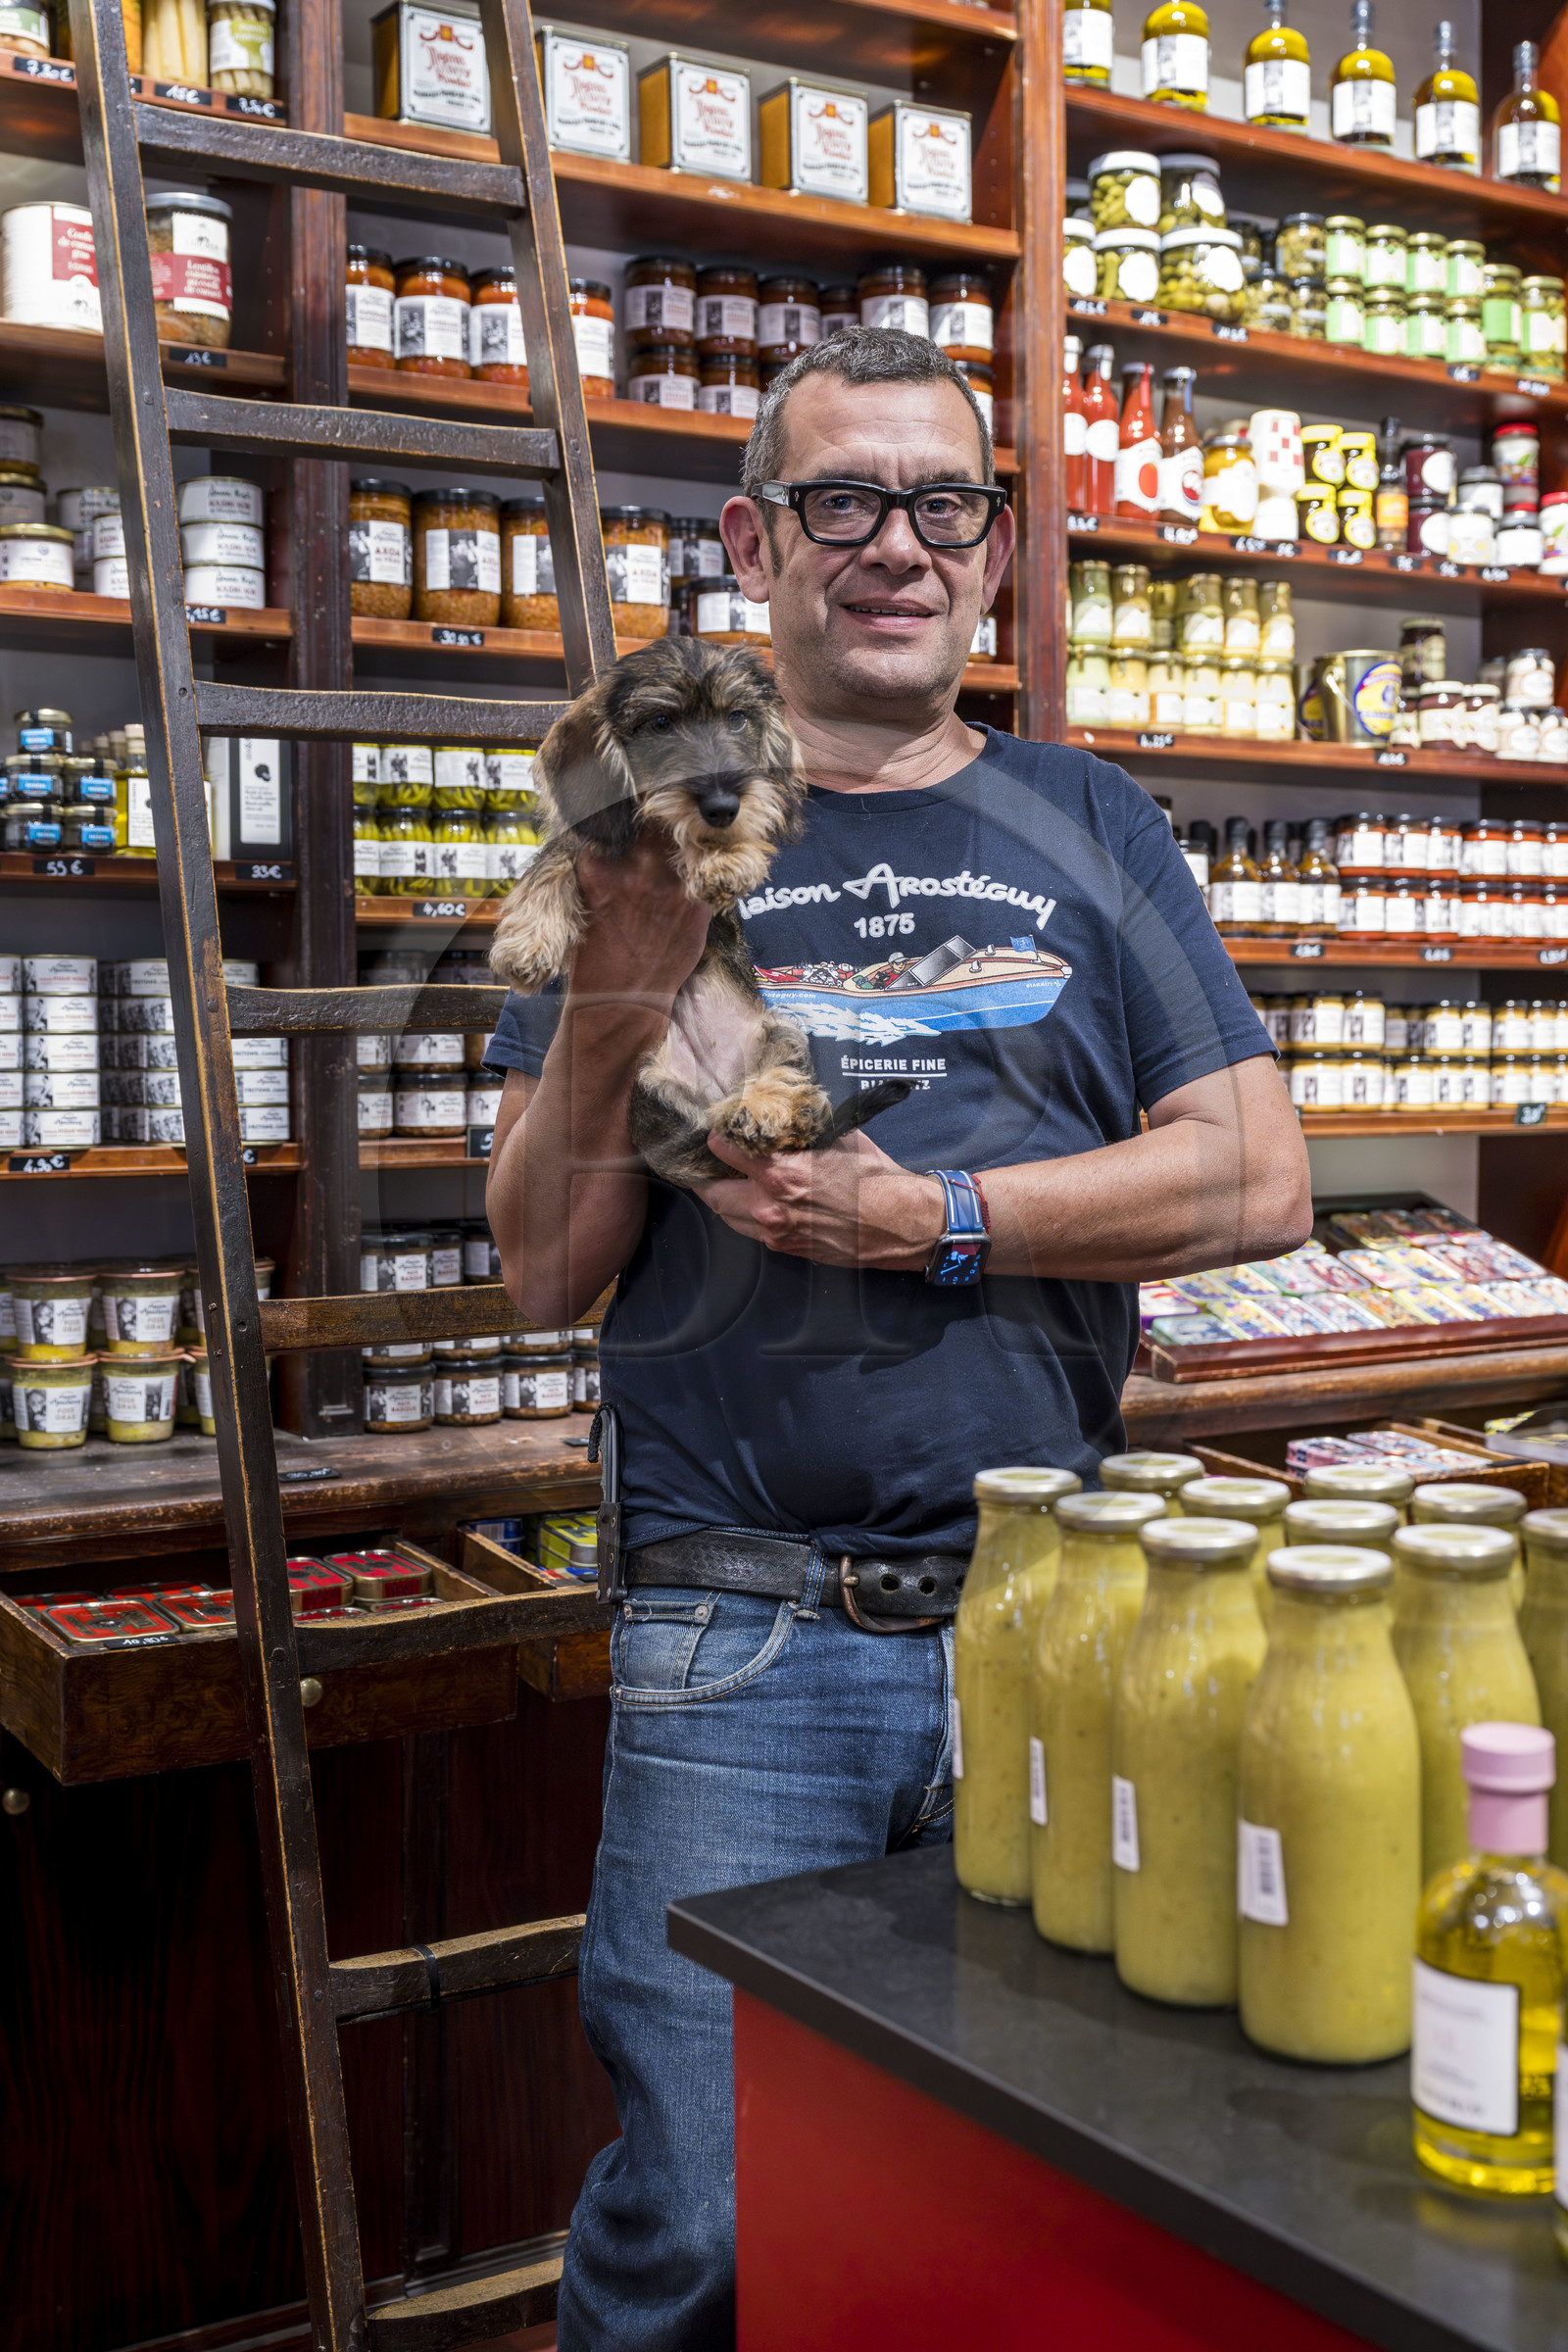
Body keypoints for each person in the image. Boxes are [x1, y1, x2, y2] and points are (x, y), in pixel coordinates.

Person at [483, 327, 1311, 2350]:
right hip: (739, 1630)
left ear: (994, 547)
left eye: (941, 505)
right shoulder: (646, 826)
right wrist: (626, 973)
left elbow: (1251, 1179)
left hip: (1057, 1616)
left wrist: (930, 1215)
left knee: (1009, 2201)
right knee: (703, 2219)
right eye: (841, 502)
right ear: (754, 538)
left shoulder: (1086, 819)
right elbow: (532, 1264)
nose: (895, 547)